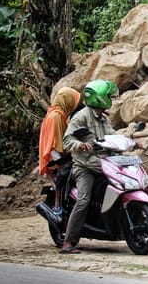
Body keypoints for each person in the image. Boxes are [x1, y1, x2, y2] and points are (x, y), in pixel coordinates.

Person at [59, 79, 119, 254]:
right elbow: (67, 140)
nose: (110, 98)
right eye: (108, 96)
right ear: (100, 98)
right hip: (85, 167)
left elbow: (112, 135)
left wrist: (130, 141)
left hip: (104, 164)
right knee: (84, 199)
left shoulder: (102, 118)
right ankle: (68, 242)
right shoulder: (81, 116)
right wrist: (80, 145)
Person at [38, 87, 82, 215]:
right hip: (55, 155)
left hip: (53, 153)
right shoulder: (56, 116)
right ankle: (58, 204)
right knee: (70, 170)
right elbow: (58, 143)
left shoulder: (56, 114)